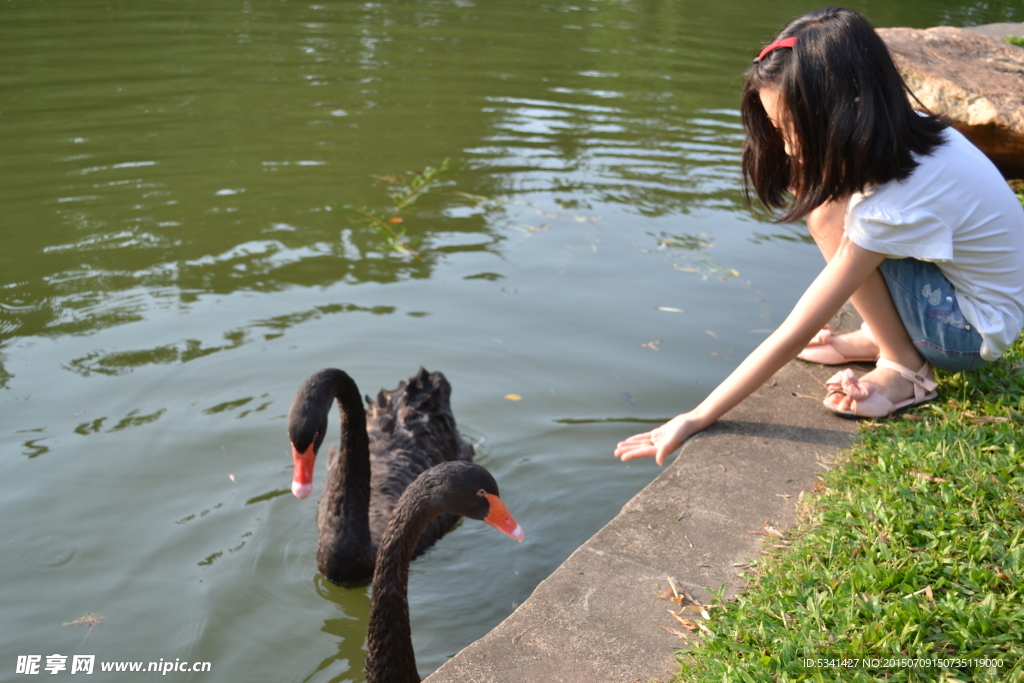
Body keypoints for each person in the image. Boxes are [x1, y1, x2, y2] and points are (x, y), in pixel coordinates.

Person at [614, 7, 1024, 466]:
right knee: (830, 205)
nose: (787, 147)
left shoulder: (893, 205)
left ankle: (905, 368)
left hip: (968, 333)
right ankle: (886, 336)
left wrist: (697, 415)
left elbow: (797, 329)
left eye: (794, 131)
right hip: (976, 300)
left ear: (846, 111)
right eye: (777, 129)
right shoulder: (904, 128)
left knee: (830, 215)